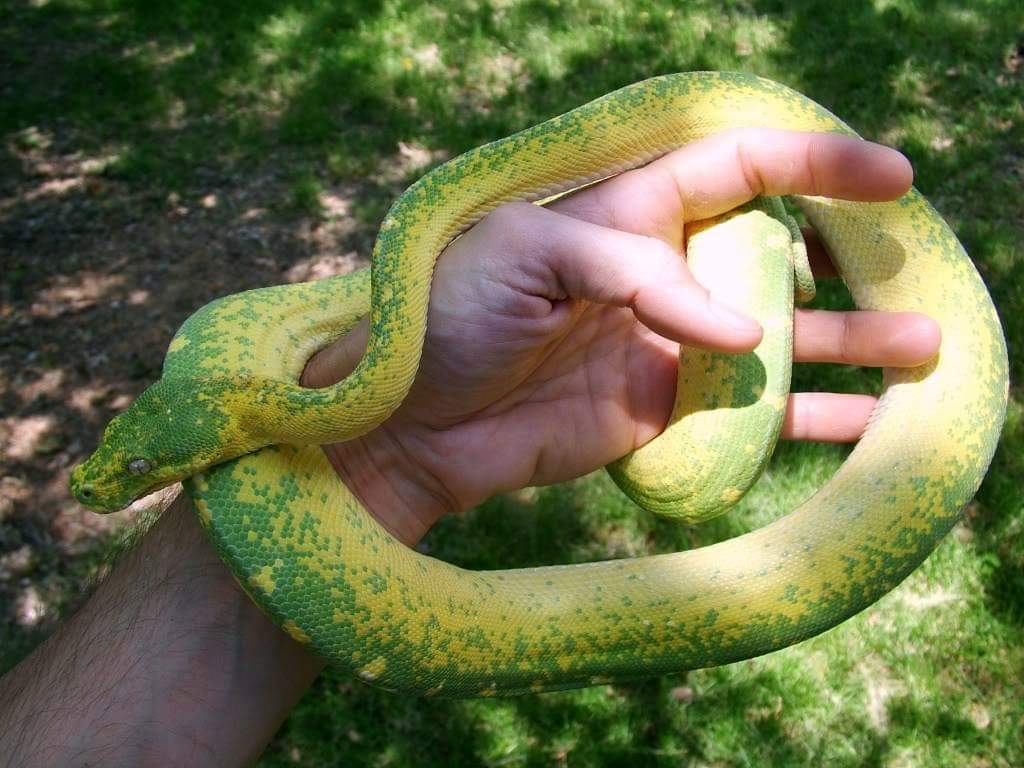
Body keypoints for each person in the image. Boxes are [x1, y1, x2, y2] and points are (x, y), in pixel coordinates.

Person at [0, 129, 940, 766]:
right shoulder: (259, 386)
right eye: (135, 469)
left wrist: (376, 458)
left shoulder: (260, 368)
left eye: (136, 470)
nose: (119, 484)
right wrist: (385, 463)